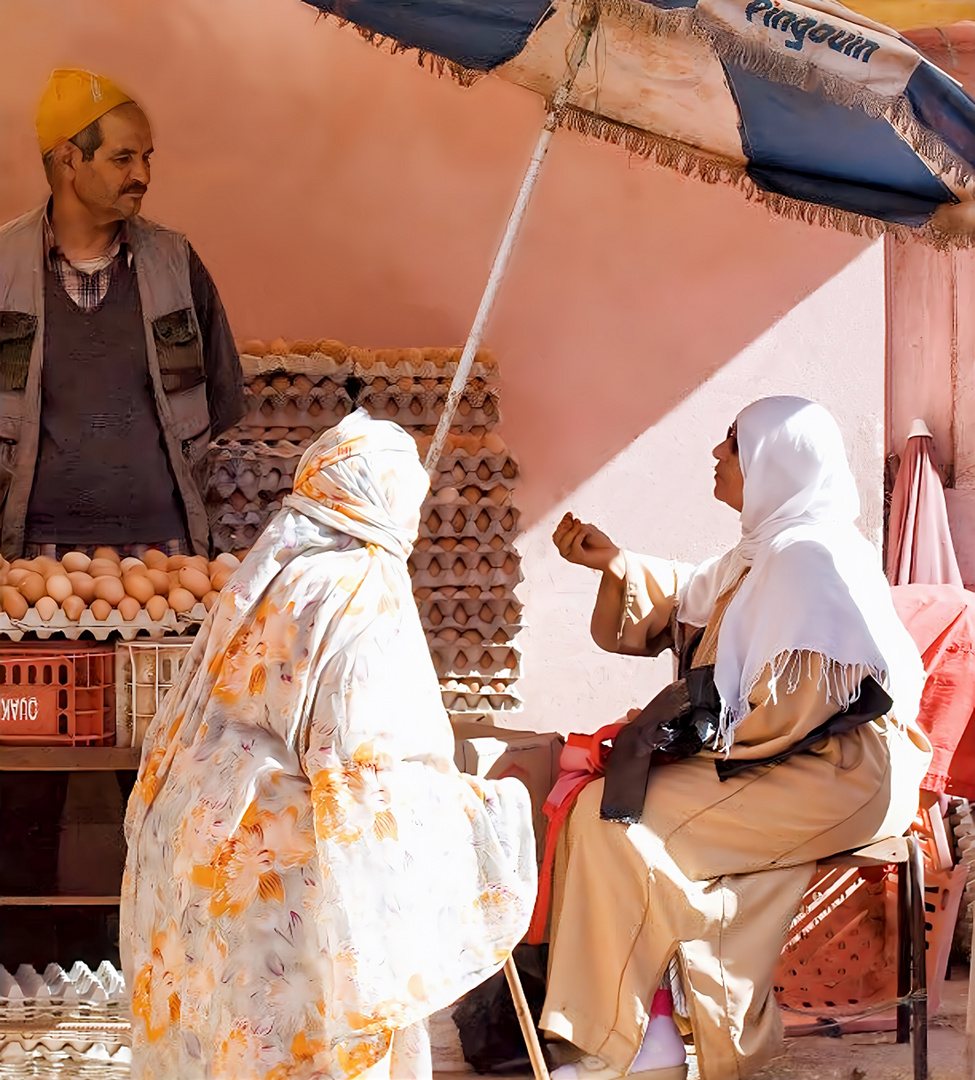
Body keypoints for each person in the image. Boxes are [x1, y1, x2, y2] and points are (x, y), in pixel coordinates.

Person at [120, 408, 536, 1080]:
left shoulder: (273, 576)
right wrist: (481, 812)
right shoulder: (362, 587)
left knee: (230, 1049)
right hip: (285, 872)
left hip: (205, 846)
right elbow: (362, 763)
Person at [540, 397, 932, 1080]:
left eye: (731, 444)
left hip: (836, 770)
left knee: (615, 823)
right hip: (789, 755)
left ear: (773, 462)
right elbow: (693, 593)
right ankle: (651, 1029)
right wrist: (613, 563)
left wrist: (697, 741)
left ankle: (623, 1043)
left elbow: (802, 701)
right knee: (603, 809)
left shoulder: (809, 557)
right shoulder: (766, 551)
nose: (716, 456)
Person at [0, 68, 245, 560]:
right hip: (33, 558)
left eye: (147, 157)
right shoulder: (4, 263)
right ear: (69, 159)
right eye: (123, 158)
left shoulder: (175, 261)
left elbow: (223, 395)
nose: (144, 175)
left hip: (165, 551)